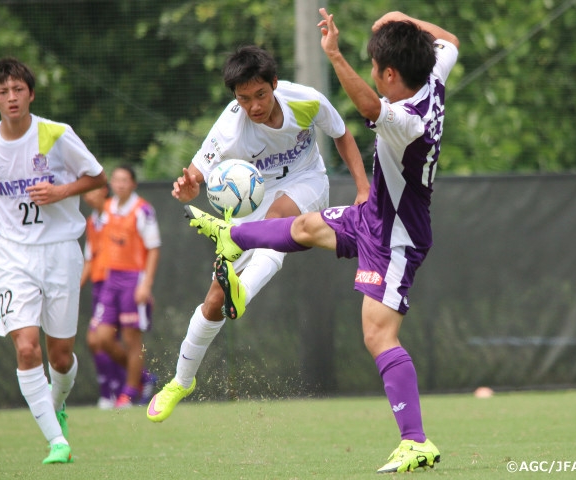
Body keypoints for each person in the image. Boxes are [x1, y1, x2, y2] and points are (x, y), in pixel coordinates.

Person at [181, 9, 459, 474]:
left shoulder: (408, 120)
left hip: (396, 237)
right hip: (373, 216)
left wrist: (334, 55)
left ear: (390, 74)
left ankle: (416, 441)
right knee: (306, 227)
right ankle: (231, 234)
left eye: (374, 68)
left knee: (377, 333)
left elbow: (369, 109)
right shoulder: (432, 72)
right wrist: (402, 19)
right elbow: (447, 39)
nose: (371, 73)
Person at [146, 45, 369, 422]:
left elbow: (343, 134)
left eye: (260, 95)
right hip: (253, 199)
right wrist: (188, 188)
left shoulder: (307, 101)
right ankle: (182, 381)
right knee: (214, 300)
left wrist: (363, 191)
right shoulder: (231, 126)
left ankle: (244, 293)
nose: (253, 106)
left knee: (277, 222)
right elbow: (196, 173)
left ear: (275, 85)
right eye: (244, 98)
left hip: (305, 183)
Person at [0, 57, 107, 464]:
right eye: (3, 92)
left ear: (31, 94)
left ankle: (57, 405)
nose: (12, 97)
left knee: (60, 356)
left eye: (18, 89)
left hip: (60, 251)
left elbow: (97, 178)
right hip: (12, 255)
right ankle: (58, 441)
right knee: (25, 348)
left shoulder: (56, 134)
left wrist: (61, 192)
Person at [88, 165, 161, 408]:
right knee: (102, 338)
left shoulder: (143, 210)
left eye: (124, 180)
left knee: (131, 339)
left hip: (133, 279)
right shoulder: (107, 208)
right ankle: (142, 377)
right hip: (111, 280)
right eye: (115, 180)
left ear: (133, 184)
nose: (119, 184)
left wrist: (146, 284)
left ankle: (129, 392)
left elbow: (153, 249)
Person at [80, 183, 127, 409]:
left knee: (98, 338)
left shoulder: (114, 212)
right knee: (101, 342)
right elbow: (90, 257)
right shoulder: (92, 221)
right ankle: (115, 391)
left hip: (115, 283)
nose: (86, 196)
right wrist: (77, 285)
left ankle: (126, 387)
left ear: (101, 190)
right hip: (99, 285)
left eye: (90, 189)